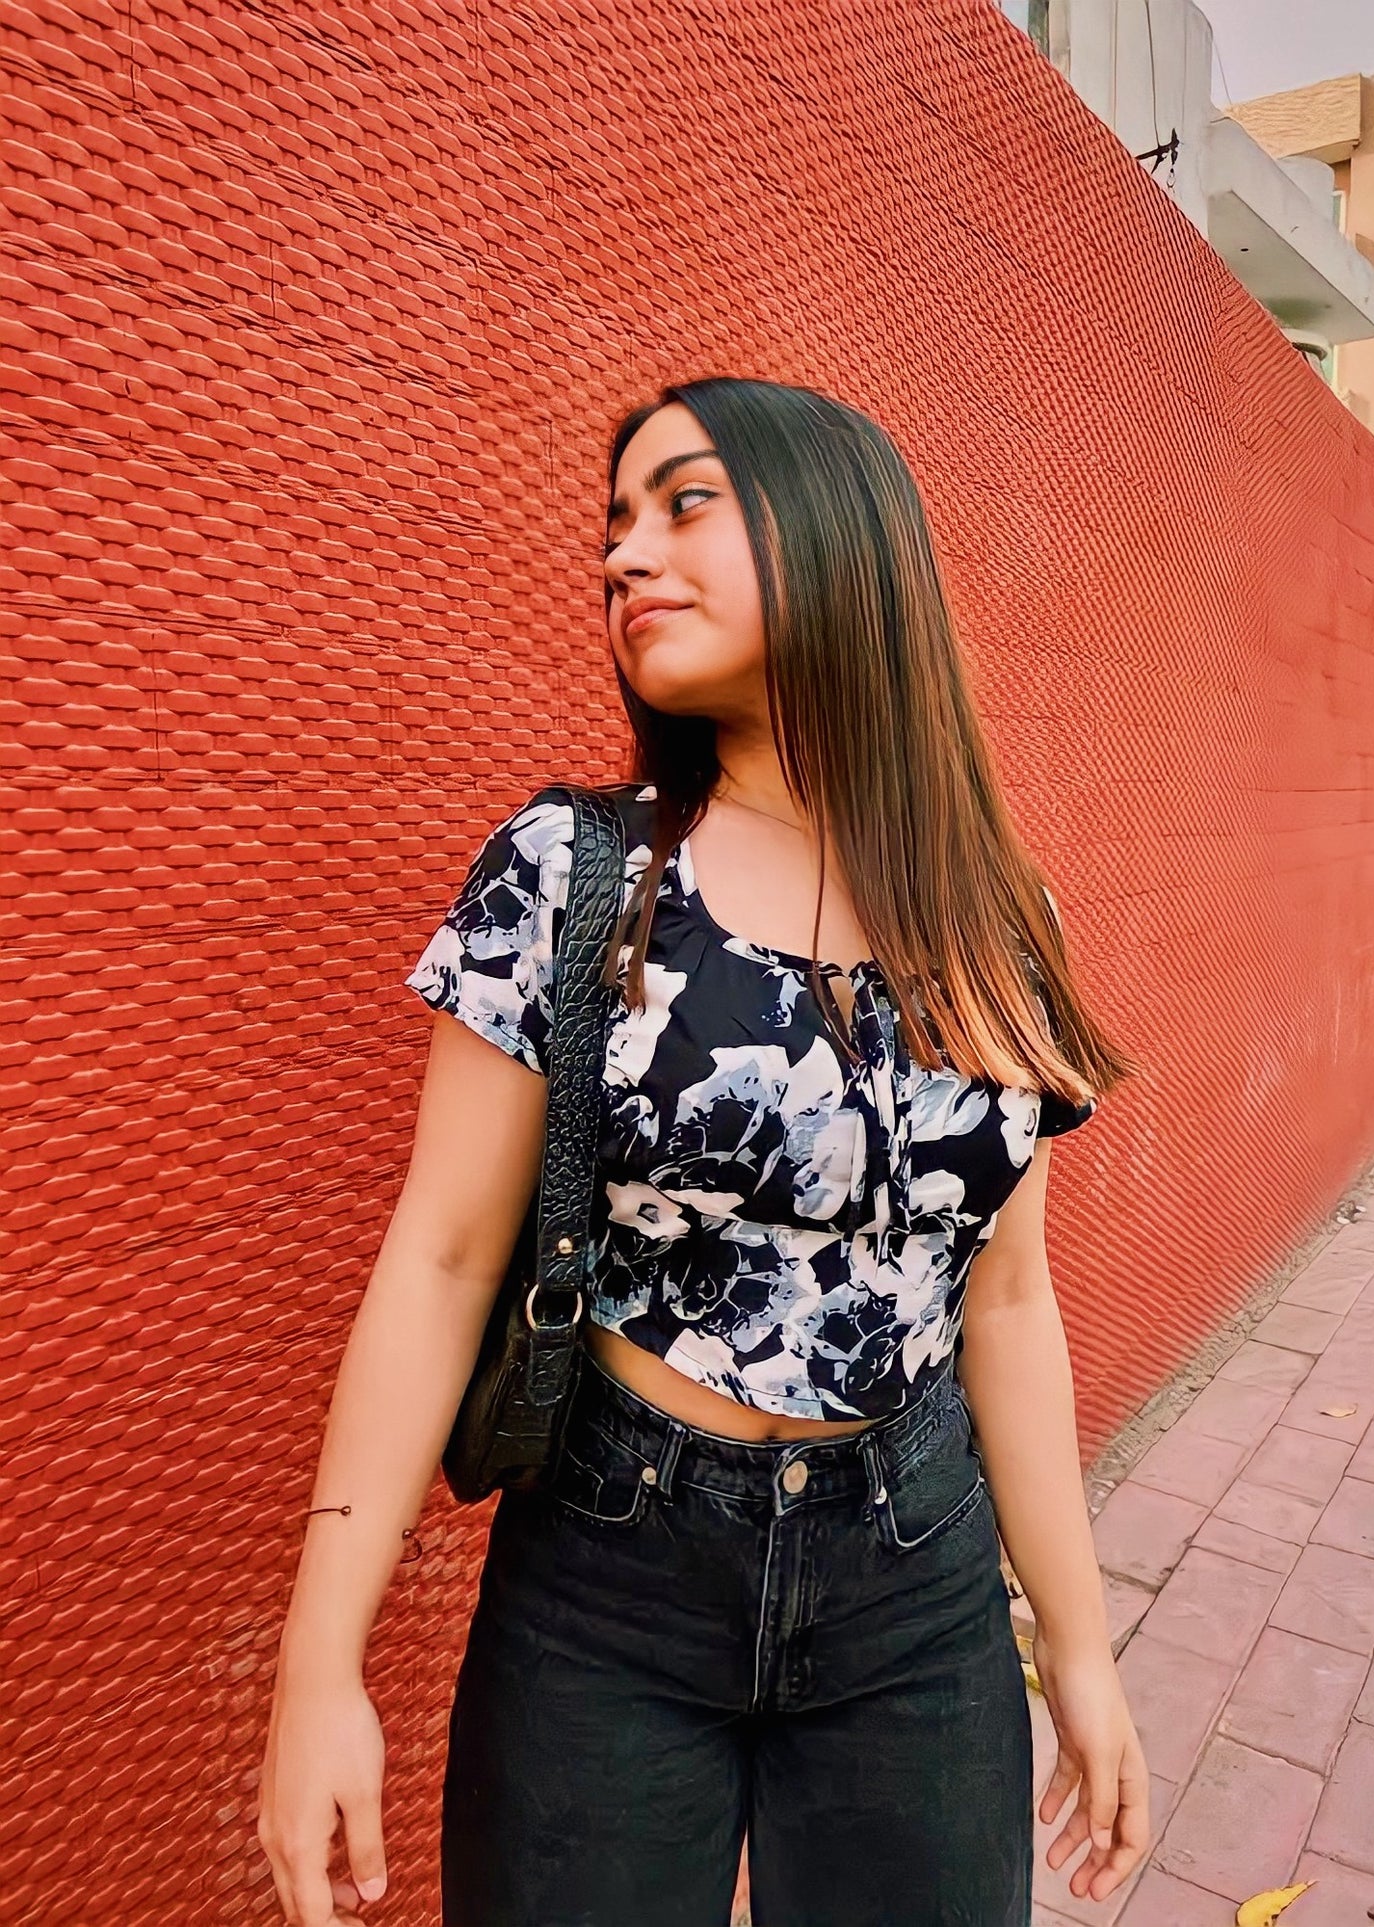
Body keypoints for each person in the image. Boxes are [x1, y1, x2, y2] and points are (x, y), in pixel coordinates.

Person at [258, 375, 1150, 1927]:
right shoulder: (571, 873)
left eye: (682, 504)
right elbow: (442, 1261)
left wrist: (1076, 1648)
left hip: (916, 1582)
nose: (621, 557)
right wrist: (317, 1666)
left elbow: (1003, 1303)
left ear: (835, 536)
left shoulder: (999, 917)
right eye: (612, 524)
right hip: (614, 1575)